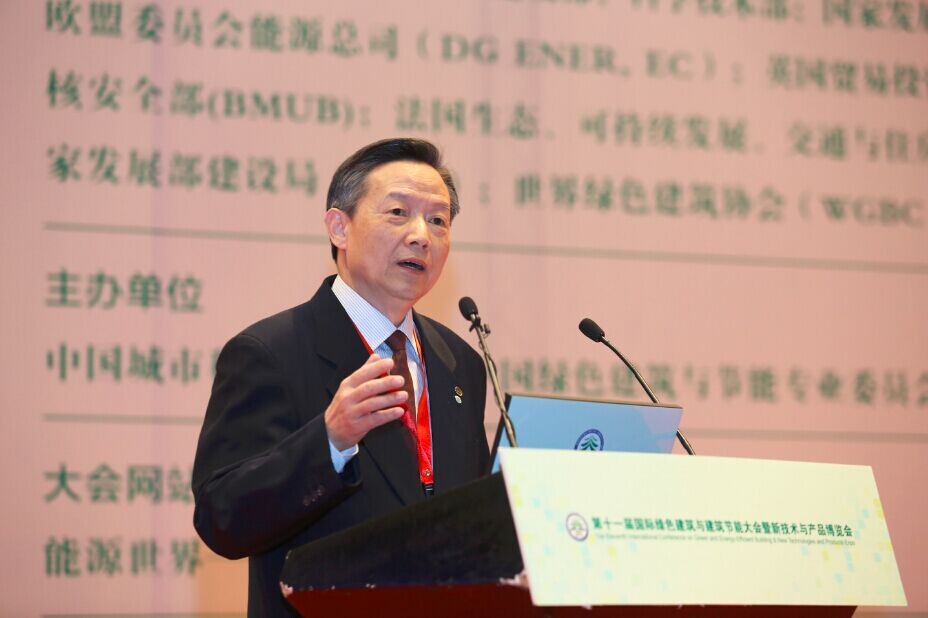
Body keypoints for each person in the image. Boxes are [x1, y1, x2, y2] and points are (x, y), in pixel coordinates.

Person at [191, 138, 490, 616]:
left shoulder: (459, 362)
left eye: (438, 220)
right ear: (339, 227)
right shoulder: (270, 352)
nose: (422, 235)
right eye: (399, 213)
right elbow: (221, 519)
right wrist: (329, 440)